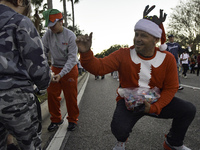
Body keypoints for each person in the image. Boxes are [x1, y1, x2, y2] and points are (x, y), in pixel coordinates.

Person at [76, 5, 196, 150]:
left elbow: (171, 87)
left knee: (188, 109)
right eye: (136, 34)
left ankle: (173, 142)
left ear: (156, 39)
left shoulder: (168, 59)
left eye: (143, 35)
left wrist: (154, 107)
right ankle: (121, 141)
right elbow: (99, 68)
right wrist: (86, 53)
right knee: (118, 128)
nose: (137, 39)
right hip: (129, 101)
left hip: (155, 100)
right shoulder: (123, 54)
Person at [0, 0, 52, 150]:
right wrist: (45, 83)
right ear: (19, 1)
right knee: (30, 145)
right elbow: (39, 71)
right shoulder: (20, 22)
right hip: (16, 99)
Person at [42, 9, 79, 132]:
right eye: (49, 26)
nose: (51, 28)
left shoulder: (70, 36)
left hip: (69, 68)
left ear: (61, 22)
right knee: (52, 93)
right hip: (55, 66)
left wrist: (62, 74)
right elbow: (43, 51)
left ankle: (73, 119)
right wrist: (47, 70)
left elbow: (72, 58)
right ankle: (56, 119)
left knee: (70, 96)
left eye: (53, 25)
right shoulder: (48, 34)